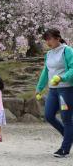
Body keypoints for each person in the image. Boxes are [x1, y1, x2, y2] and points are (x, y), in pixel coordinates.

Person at [36, 28, 73, 158]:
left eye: (49, 38)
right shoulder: (49, 54)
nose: (47, 42)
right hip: (53, 90)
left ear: (58, 38)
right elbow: (45, 72)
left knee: (66, 119)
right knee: (49, 115)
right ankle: (69, 136)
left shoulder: (67, 51)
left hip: (66, 90)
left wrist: (62, 78)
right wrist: (39, 88)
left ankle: (65, 148)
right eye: (46, 39)